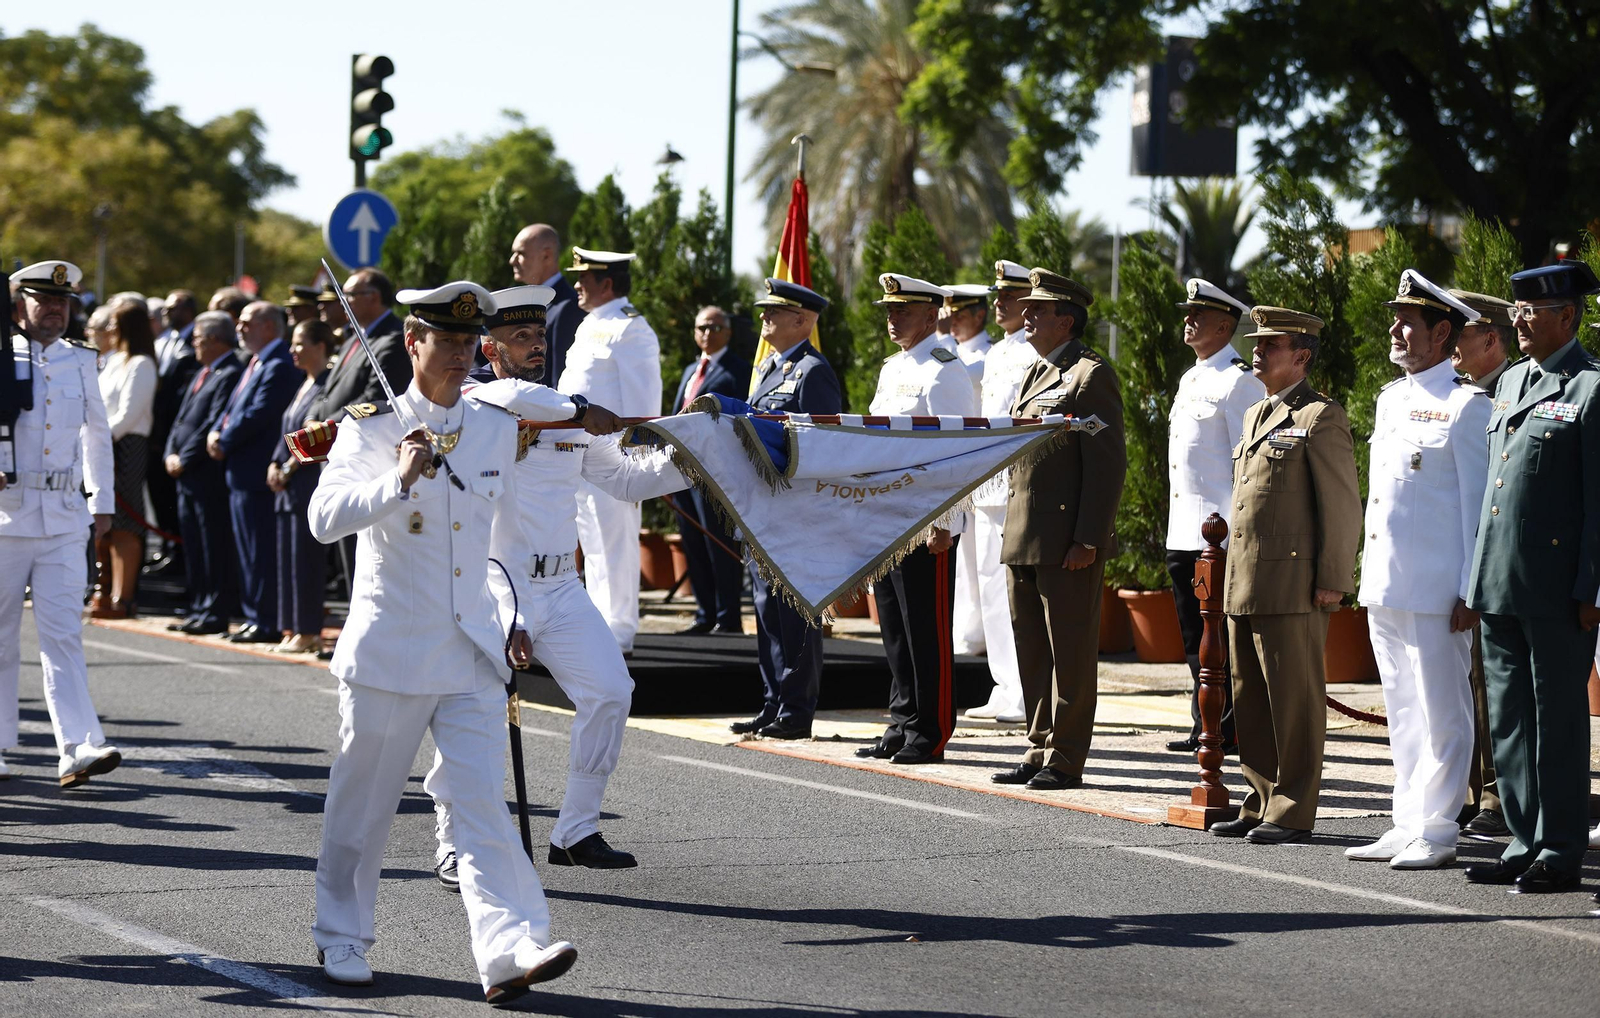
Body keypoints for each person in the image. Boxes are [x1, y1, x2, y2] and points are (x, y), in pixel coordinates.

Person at [308, 281, 576, 1001]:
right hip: (391, 650)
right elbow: (323, 520)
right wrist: (395, 481)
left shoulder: (492, 427)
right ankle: (341, 933)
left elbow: (502, 537)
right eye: (445, 341)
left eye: (466, 342)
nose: (460, 354)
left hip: (470, 651)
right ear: (412, 342)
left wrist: (514, 615)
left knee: (483, 807)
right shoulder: (369, 428)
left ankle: (510, 948)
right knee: (364, 807)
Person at [429, 283, 681, 882]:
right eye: (520, 336)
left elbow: (624, 480)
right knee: (475, 712)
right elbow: (510, 396)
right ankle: (452, 839)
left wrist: (698, 458)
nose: (536, 345)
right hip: (494, 585)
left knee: (610, 692)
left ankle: (576, 831)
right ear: (490, 349)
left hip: (563, 586)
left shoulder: (566, 414)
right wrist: (579, 408)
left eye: (540, 334)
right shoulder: (476, 403)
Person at [1463, 262, 1600, 895]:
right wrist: (1476, 580)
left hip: (1557, 590)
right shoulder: (1514, 380)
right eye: (1516, 309)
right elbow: (1496, 491)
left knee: (1559, 721)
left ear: (1567, 316)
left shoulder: (1590, 388)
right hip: (1499, 583)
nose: (1518, 320)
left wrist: (1591, 589)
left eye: (1532, 311)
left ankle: (1561, 848)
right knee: (1511, 722)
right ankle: (1523, 839)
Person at [1345, 271, 1489, 869]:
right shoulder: (1390, 398)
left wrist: (1471, 588)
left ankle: (1439, 826)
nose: (1395, 330)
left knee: (1443, 710)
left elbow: (1479, 508)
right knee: (1401, 706)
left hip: (1438, 588)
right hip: (1386, 580)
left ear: (1442, 333)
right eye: (1395, 319)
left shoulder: (1466, 406)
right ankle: (1406, 820)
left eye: (1408, 322)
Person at [1209, 306, 1361, 844]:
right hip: (1246, 579)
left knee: (1293, 701)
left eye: (1270, 344)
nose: (1257, 350)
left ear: (1301, 356)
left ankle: (1293, 808)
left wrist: (1333, 578)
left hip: (1294, 584)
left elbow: (1340, 505)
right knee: (1250, 697)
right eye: (1257, 342)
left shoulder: (1320, 416)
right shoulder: (1257, 413)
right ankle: (1260, 799)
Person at [989, 268, 1126, 790]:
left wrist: (1088, 538)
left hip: (1067, 541)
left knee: (1069, 653)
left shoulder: (1090, 376)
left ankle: (1066, 757)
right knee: (1032, 651)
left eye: (1038, 310)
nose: (1025, 315)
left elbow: (1107, 465)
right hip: (1024, 535)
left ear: (1065, 320)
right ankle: (1038, 745)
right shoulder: (1037, 372)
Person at [0, 260, 120, 786]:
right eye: (44, 300)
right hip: (6, 516)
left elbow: (97, 434)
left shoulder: (82, 360)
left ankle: (78, 746)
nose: (55, 309)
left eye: (62, 302)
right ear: (18, 306)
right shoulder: (2, 355)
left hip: (65, 517)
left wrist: (102, 503)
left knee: (64, 635)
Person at [854, 273, 976, 766]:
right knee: (895, 628)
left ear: (930, 315)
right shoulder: (894, 368)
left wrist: (944, 520)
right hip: (889, 516)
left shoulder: (945, 370)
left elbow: (957, 452)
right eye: (888, 310)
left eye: (901, 311)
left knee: (927, 629)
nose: (891, 319)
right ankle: (902, 720)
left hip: (928, 522)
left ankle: (931, 730)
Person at [732, 279, 843, 739]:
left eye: (774, 312)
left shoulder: (813, 372)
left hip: (796, 515)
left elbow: (824, 447)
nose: (764, 318)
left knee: (795, 615)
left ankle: (796, 711)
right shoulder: (768, 369)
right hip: (763, 512)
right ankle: (773, 702)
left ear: (802, 320)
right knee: (766, 612)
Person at [1164, 278, 1262, 754]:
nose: (1188, 321)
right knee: (1193, 636)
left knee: (1219, 634)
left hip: (1218, 534)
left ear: (1224, 326)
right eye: (1188, 314)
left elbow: (1246, 464)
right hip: (1183, 529)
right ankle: (1203, 722)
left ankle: (1228, 726)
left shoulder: (1240, 381)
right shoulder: (1191, 378)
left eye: (1197, 316)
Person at [557, 247, 662, 654]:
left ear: (607, 283)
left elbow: (643, 404)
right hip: (579, 454)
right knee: (593, 542)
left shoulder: (631, 328)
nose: (576, 285)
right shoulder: (590, 324)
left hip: (616, 458)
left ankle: (619, 630)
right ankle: (601, 623)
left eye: (584, 278)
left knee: (615, 542)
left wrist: (639, 464)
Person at [1446, 287, 1516, 838]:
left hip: (1502, 564)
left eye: (1459, 331)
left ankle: (1498, 796)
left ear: (1491, 339)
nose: (1448, 340)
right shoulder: (1455, 397)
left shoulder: (1514, 394)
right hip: (1458, 561)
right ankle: (1471, 791)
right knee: (1465, 684)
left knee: (1495, 686)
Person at [963, 261, 1037, 722]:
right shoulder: (996, 354)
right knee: (990, 587)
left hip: (1017, 486)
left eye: (1008, 296)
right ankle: (1004, 684)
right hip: (988, 486)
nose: (999, 303)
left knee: (1017, 593)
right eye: (998, 296)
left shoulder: (1034, 354)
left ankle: (1028, 690)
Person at [208, 301, 299, 644]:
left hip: (257, 471)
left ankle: (266, 620)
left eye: (247, 323)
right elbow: (233, 408)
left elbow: (259, 414)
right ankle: (253, 616)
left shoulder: (279, 365)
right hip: (241, 471)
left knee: (260, 551)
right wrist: (216, 431)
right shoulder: (256, 361)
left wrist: (225, 439)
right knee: (247, 550)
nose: (240, 328)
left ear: (269, 326)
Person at [673, 305, 751, 636]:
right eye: (702, 327)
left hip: (717, 473)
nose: (707, 333)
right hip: (682, 471)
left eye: (715, 327)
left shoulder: (739, 371)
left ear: (728, 333)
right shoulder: (691, 370)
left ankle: (727, 617)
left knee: (719, 544)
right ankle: (704, 613)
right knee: (692, 543)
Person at [163, 312, 242, 636]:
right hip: (187, 475)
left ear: (214, 340)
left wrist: (185, 458)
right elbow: (182, 420)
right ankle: (198, 607)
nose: (193, 344)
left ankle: (214, 611)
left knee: (213, 547)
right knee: (195, 545)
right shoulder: (204, 372)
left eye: (197, 339)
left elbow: (213, 422)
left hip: (206, 474)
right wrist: (170, 451)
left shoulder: (230, 372)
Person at [267, 320, 335, 655]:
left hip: (307, 480)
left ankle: (308, 630)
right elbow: (287, 431)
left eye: (299, 343)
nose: (293, 350)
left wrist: (289, 466)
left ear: (320, 346)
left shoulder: (326, 384)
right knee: (288, 559)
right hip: (288, 483)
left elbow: (318, 435)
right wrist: (274, 463)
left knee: (305, 559)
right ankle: (291, 627)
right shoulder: (303, 383)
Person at [90, 299, 159, 618]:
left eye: (114, 323)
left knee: (125, 522)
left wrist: (103, 438)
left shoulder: (141, 363)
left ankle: (124, 596)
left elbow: (130, 412)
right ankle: (104, 591)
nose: (109, 329)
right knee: (104, 520)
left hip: (126, 445)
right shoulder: (114, 360)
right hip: (102, 443)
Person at [938, 283, 994, 658]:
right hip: (955, 467)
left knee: (978, 559)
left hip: (980, 469)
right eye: (948, 314)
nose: (952, 320)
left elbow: (958, 374)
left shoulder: (987, 355)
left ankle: (978, 635)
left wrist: (941, 337)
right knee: (961, 559)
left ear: (979, 315)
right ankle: (964, 632)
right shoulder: (951, 352)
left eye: (959, 314)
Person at [146, 289, 199, 578]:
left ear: (188, 310)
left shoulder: (193, 343)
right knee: (161, 500)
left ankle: (178, 557)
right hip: (160, 436)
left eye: (173, 307)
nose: (167, 312)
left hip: (176, 436)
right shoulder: (167, 341)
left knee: (175, 503)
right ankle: (168, 549)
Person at [508, 224, 586, 386]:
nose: (512, 261)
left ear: (546, 255)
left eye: (521, 253)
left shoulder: (567, 307)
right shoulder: (526, 301)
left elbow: (561, 380)